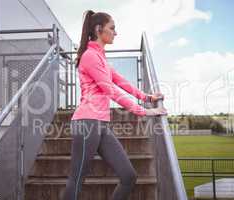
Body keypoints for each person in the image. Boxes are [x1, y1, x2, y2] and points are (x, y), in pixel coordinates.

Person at [61, 10, 167, 200]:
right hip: (86, 122)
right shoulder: (90, 56)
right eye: (112, 28)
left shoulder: (100, 57)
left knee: (128, 176)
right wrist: (145, 112)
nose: (115, 33)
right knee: (77, 179)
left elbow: (121, 82)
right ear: (99, 29)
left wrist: (147, 97)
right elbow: (110, 90)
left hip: (100, 124)